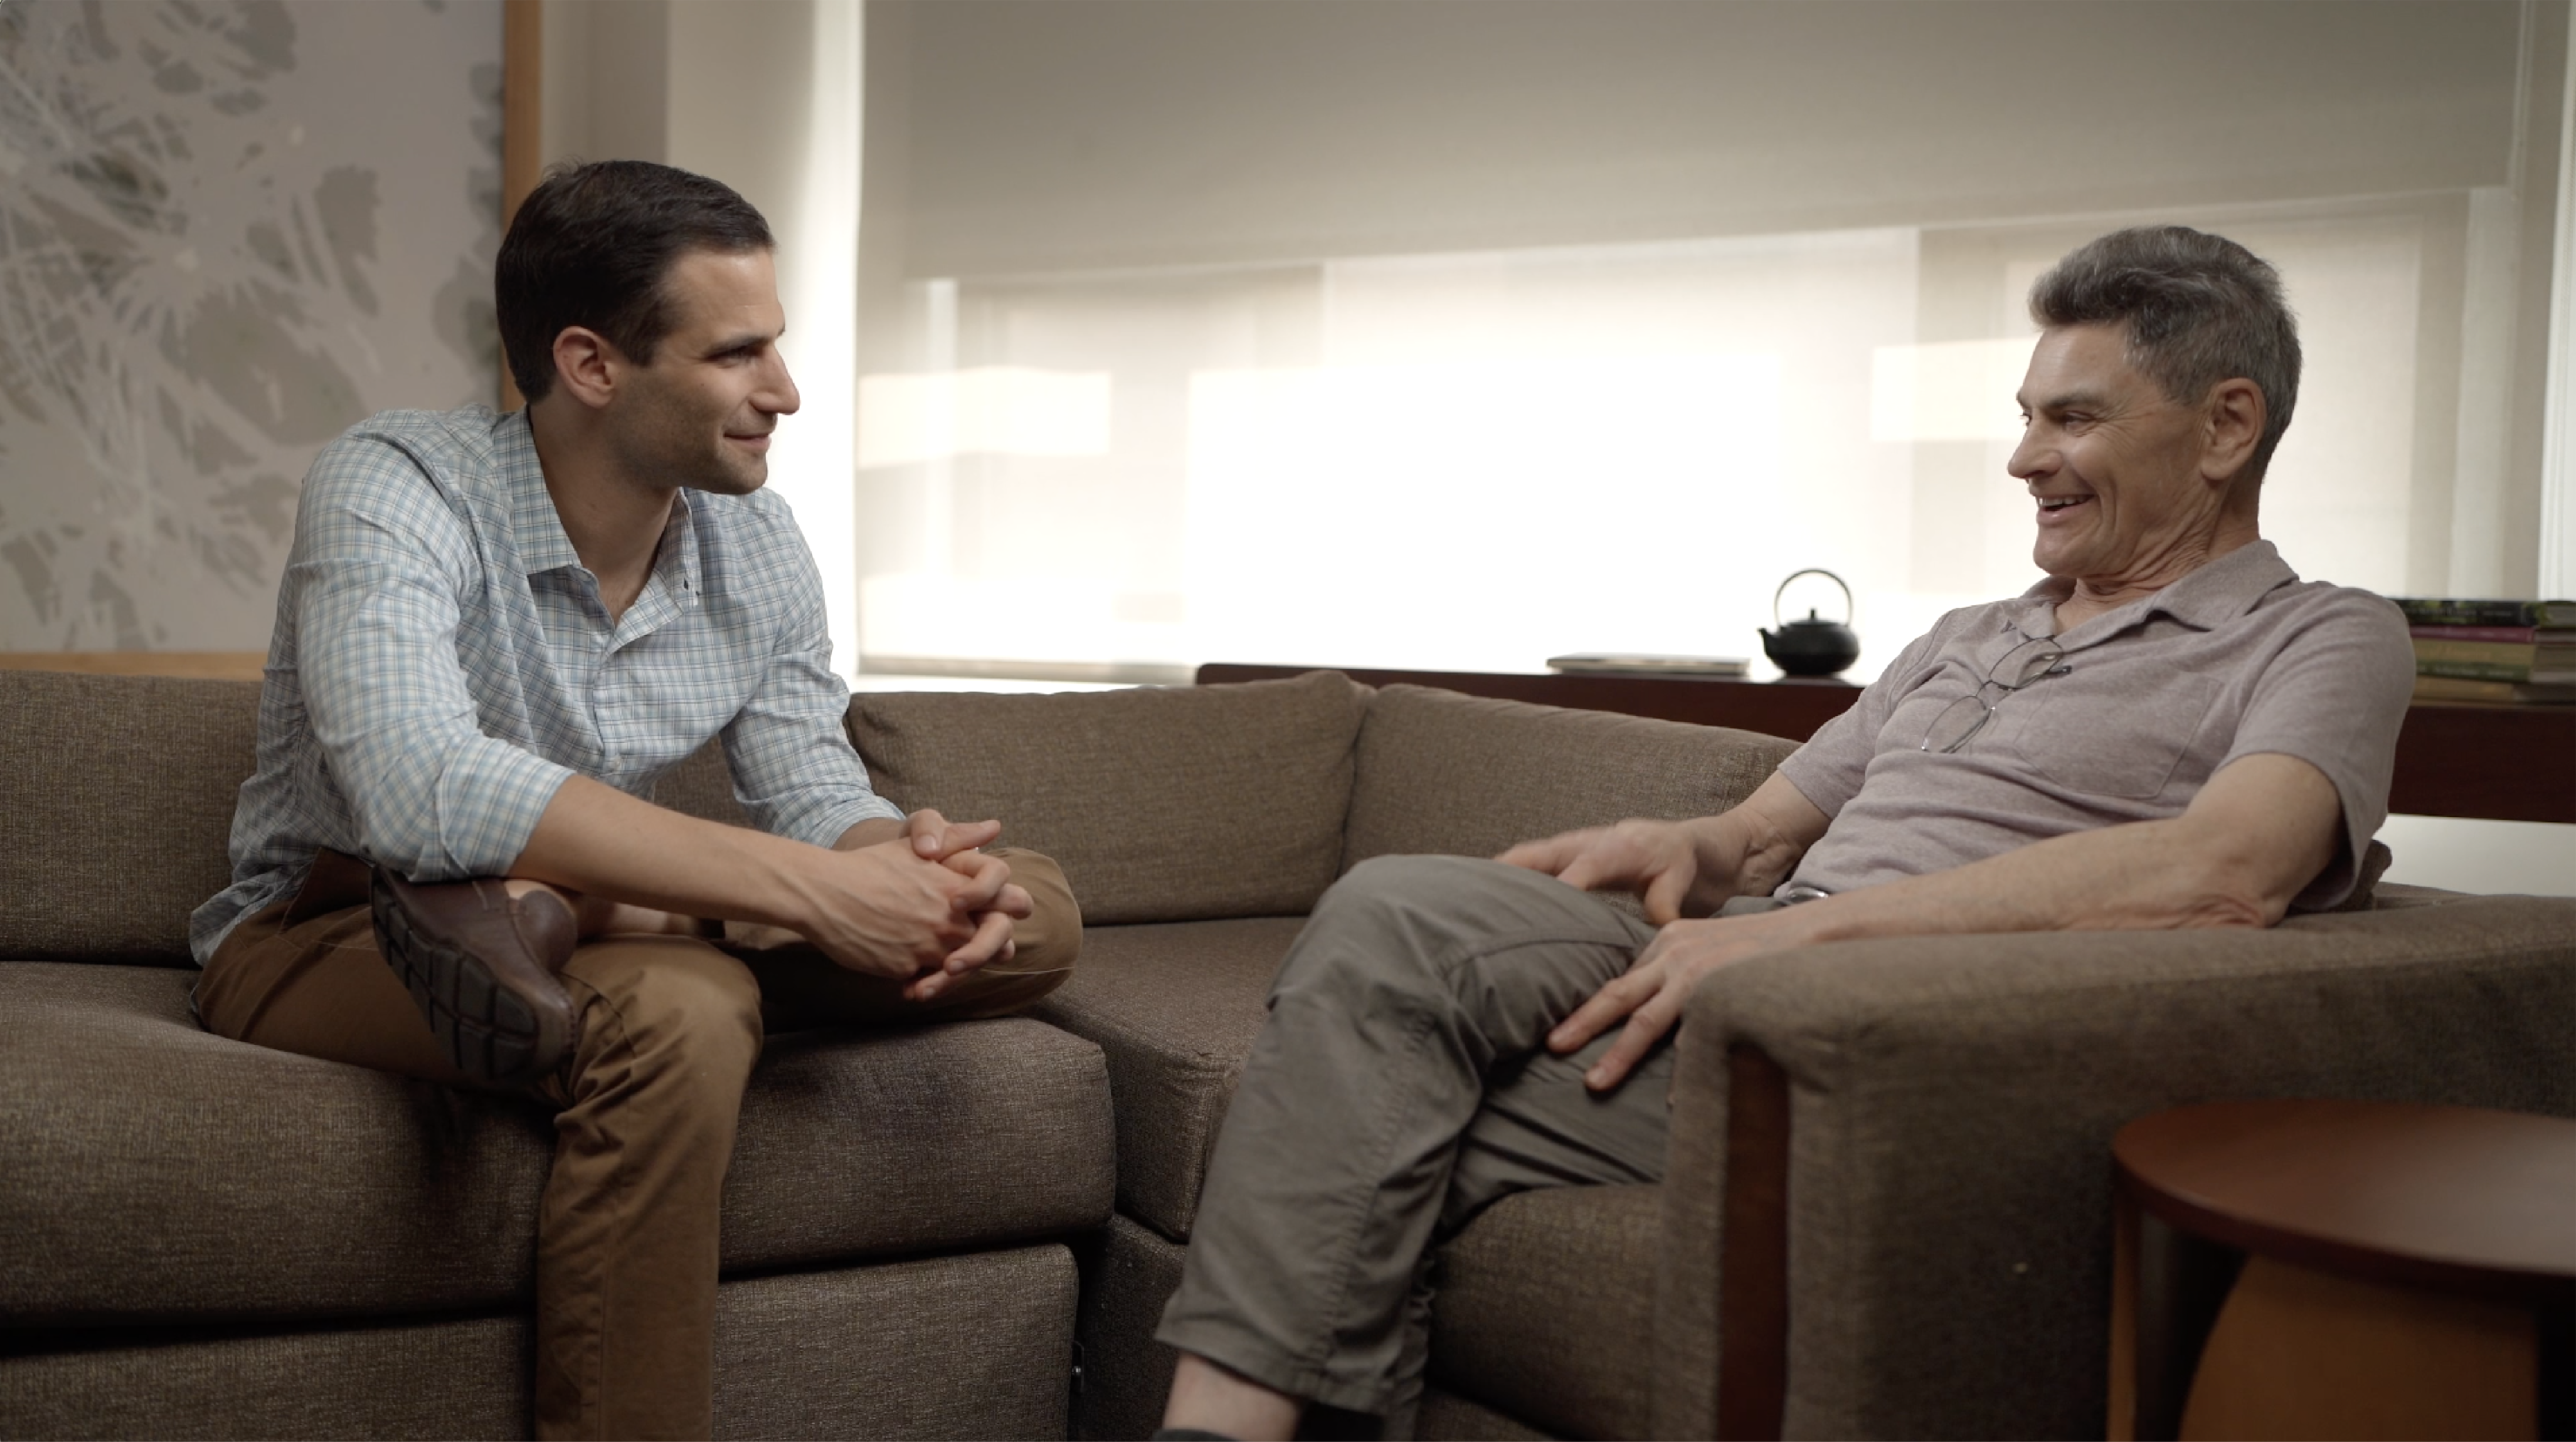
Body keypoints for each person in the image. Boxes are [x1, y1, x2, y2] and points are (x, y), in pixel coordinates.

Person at [1152, 225, 2414, 1440]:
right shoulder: (1971, 632)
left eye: (2073, 418)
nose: (2026, 459)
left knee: (1348, 1104)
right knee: (1395, 905)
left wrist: (1805, 950)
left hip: (1909, 1021)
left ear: (2226, 427)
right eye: (2026, 416)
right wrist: (1684, 847)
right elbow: (1763, 837)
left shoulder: (2325, 636)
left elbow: (2226, 871)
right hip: (1763, 948)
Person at [188, 160, 1080, 1440]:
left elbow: (810, 782)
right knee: (684, 1007)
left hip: (555, 933)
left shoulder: (757, 542)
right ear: (593, 365)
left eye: (777, 346)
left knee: (1033, 910)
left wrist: (895, 854)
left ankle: (583, 913)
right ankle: (614, 927)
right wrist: (810, 895)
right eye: (739, 354)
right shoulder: (400, 482)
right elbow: (413, 783)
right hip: (332, 927)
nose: (787, 392)